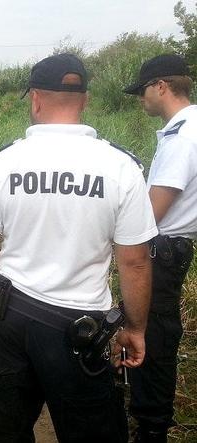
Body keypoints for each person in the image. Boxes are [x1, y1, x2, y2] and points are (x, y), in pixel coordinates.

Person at [0, 53, 157, 442]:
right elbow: (134, 263)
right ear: (85, 100)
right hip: (81, 329)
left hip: (10, 319)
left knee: (7, 428)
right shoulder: (121, 167)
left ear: (35, 99)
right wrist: (135, 328)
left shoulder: (2, 164)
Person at [123, 54, 197, 442]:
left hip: (162, 251)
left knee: (151, 334)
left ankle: (150, 426)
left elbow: (153, 211)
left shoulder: (181, 137)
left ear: (161, 87)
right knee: (155, 330)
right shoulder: (190, 126)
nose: (141, 99)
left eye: (143, 91)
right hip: (175, 248)